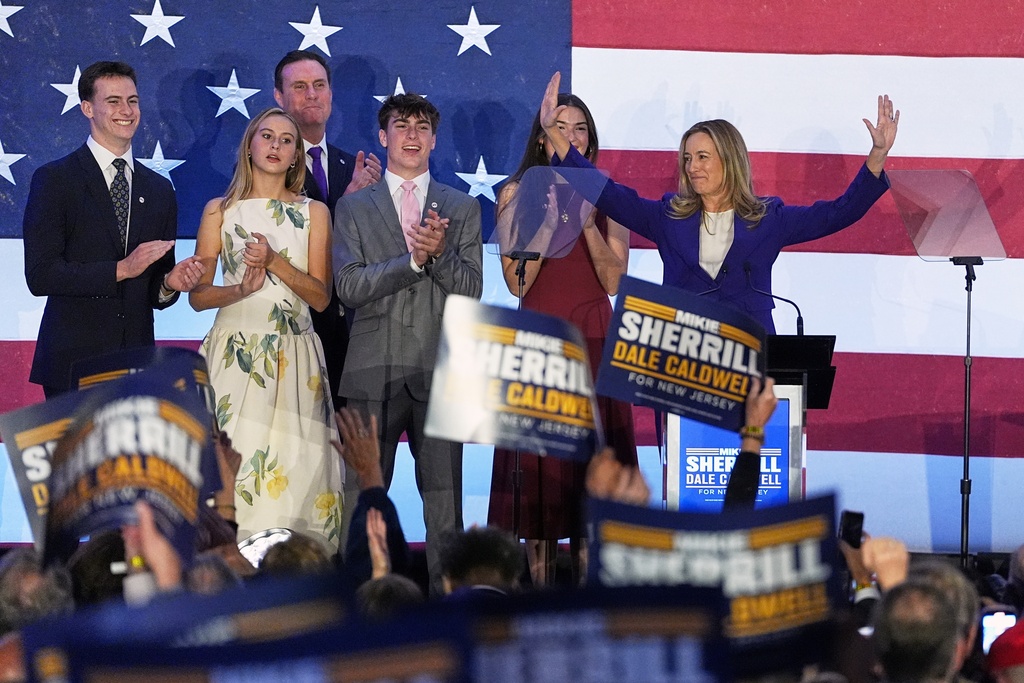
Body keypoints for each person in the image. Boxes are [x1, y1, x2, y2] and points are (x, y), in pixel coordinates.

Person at [537, 72, 900, 334]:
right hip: (684, 357)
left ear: (729, 160)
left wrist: (878, 155)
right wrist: (554, 133)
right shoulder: (666, 217)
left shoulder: (768, 219)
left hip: (750, 353)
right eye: (688, 158)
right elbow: (606, 192)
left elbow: (840, 213)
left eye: (703, 157)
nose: (692, 167)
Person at [334, 93, 483, 595]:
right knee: (360, 497)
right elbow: (348, 286)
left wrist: (438, 256)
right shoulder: (352, 207)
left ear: (434, 139)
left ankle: (449, 613)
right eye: (402, 126)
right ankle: (358, 608)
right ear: (383, 137)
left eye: (422, 127)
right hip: (371, 368)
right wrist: (413, 264)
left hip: (440, 370)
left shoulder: (461, 207)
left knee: (445, 507)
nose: (413, 135)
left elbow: (472, 289)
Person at [487, 93, 636, 588]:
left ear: (589, 141)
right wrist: (550, 223)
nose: (570, 137)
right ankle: (542, 599)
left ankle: (593, 598)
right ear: (540, 137)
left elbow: (614, 281)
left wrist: (589, 225)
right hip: (540, 346)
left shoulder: (609, 196)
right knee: (539, 484)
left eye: (580, 130)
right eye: (559, 127)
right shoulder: (514, 194)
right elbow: (515, 281)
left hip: (593, 341)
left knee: (593, 478)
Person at [189, 107, 344, 551]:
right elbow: (199, 296)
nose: (276, 146)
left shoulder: (315, 212)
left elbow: (320, 297)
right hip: (233, 358)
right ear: (250, 146)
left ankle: (295, 583)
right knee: (229, 468)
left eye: (287, 140)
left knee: (298, 474)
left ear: (297, 154)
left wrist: (275, 262)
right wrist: (240, 288)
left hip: (294, 360)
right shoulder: (220, 211)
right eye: (267, 136)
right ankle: (223, 571)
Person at [23, 60, 205, 398]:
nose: (127, 110)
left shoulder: (160, 190)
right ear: (87, 108)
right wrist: (120, 270)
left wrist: (170, 284)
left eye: (132, 101)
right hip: (73, 367)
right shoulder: (55, 180)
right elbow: (41, 275)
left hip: (137, 368)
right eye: (114, 101)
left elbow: (156, 289)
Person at [273, 50, 383, 407]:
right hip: (291, 331)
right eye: (300, 86)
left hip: (351, 336)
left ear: (331, 95)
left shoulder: (353, 165)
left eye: (319, 85)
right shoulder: (264, 167)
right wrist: (347, 204)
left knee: (348, 455)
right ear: (279, 97)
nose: (312, 94)